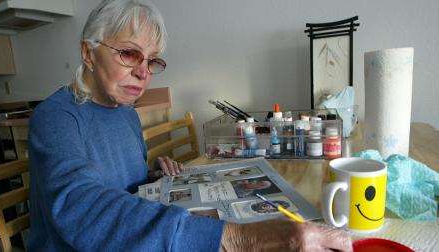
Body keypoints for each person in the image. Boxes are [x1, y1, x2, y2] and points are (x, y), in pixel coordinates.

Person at [28, 0, 352, 251]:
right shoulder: (56, 117)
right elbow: (82, 209)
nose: (144, 72)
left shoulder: (125, 112)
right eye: (129, 54)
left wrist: (151, 176)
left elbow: (121, 186)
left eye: (151, 60)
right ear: (88, 52)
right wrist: (239, 240)